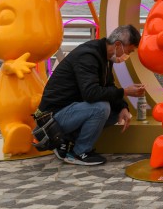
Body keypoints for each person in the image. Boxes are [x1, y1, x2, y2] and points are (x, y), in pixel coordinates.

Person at [38, 25, 146, 165]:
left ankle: (65, 141)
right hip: (52, 118)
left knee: (115, 113)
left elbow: (108, 86)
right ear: (118, 45)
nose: (127, 56)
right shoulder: (88, 56)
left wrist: (122, 107)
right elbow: (91, 93)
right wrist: (125, 91)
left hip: (71, 110)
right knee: (101, 108)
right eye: (129, 51)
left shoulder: (105, 57)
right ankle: (79, 152)